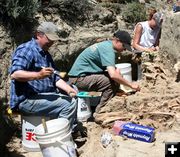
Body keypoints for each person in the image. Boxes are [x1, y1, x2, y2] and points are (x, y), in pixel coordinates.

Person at [9, 22, 77, 128]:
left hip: (41, 96)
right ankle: (60, 135)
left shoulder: (45, 54)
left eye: (53, 40)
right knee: (69, 104)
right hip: (27, 100)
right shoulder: (27, 49)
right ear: (38, 35)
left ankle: (72, 127)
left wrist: (69, 89)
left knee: (73, 89)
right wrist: (39, 75)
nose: (52, 42)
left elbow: (54, 77)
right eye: (49, 39)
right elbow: (15, 74)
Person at [68, 30, 140, 113]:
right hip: (78, 79)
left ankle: (108, 99)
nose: (124, 49)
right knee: (109, 81)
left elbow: (113, 70)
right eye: (124, 46)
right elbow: (113, 75)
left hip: (82, 76)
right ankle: (101, 111)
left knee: (116, 78)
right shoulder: (108, 49)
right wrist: (131, 85)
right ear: (117, 41)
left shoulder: (106, 45)